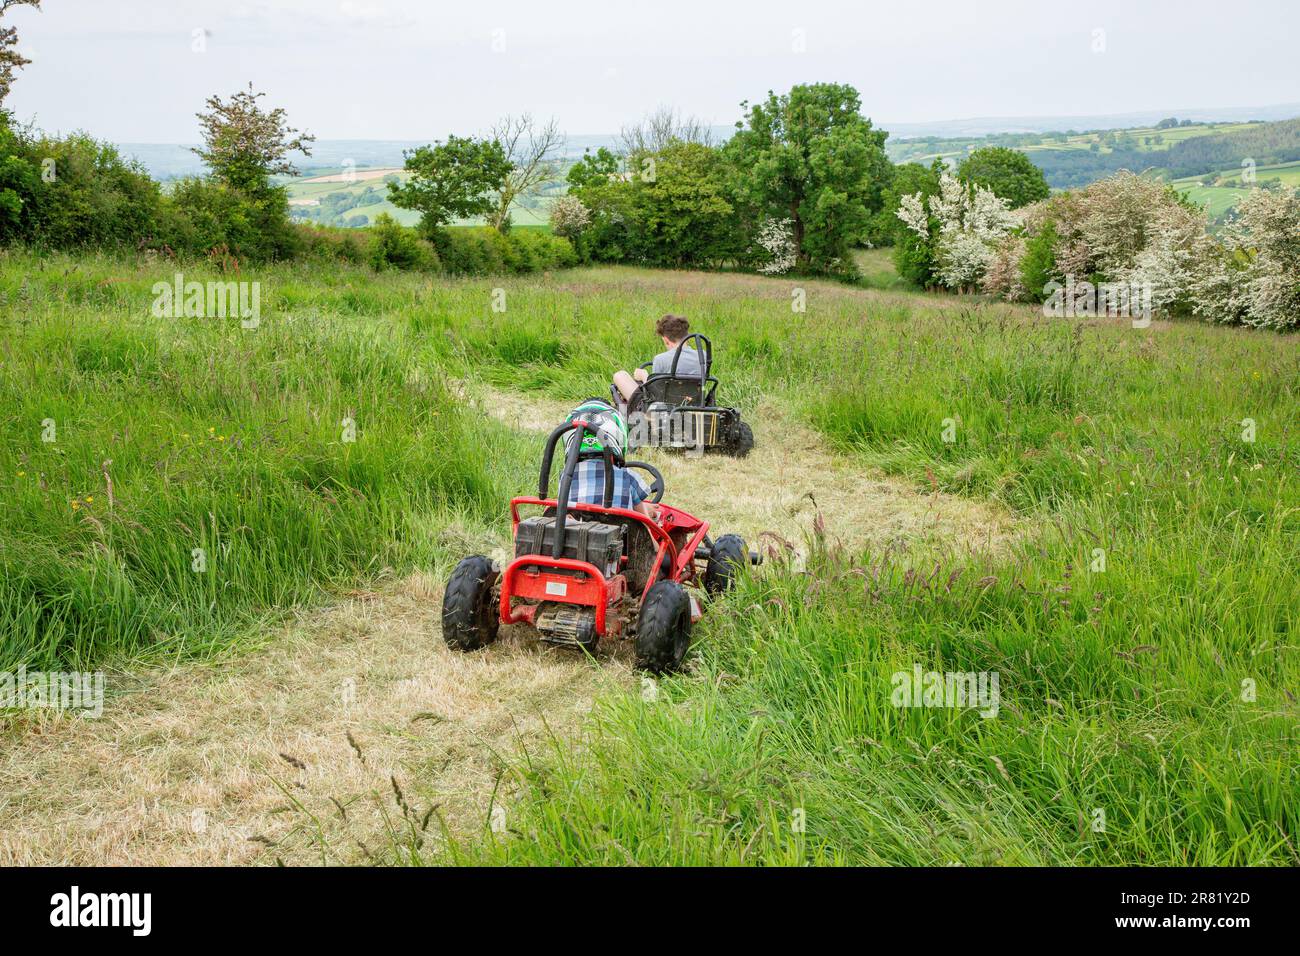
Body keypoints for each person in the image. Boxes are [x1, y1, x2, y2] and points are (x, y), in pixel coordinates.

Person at [561, 399, 659, 520]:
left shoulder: (565, 478)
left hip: (575, 536)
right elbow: (644, 523)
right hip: (619, 537)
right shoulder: (629, 477)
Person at [612, 314, 702, 404]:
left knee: (620, 376)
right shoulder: (703, 356)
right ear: (687, 336)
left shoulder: (660, 359)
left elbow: (656, 392)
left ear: (665, 340)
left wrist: (644, 377)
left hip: (664, 407)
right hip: (694, 402)